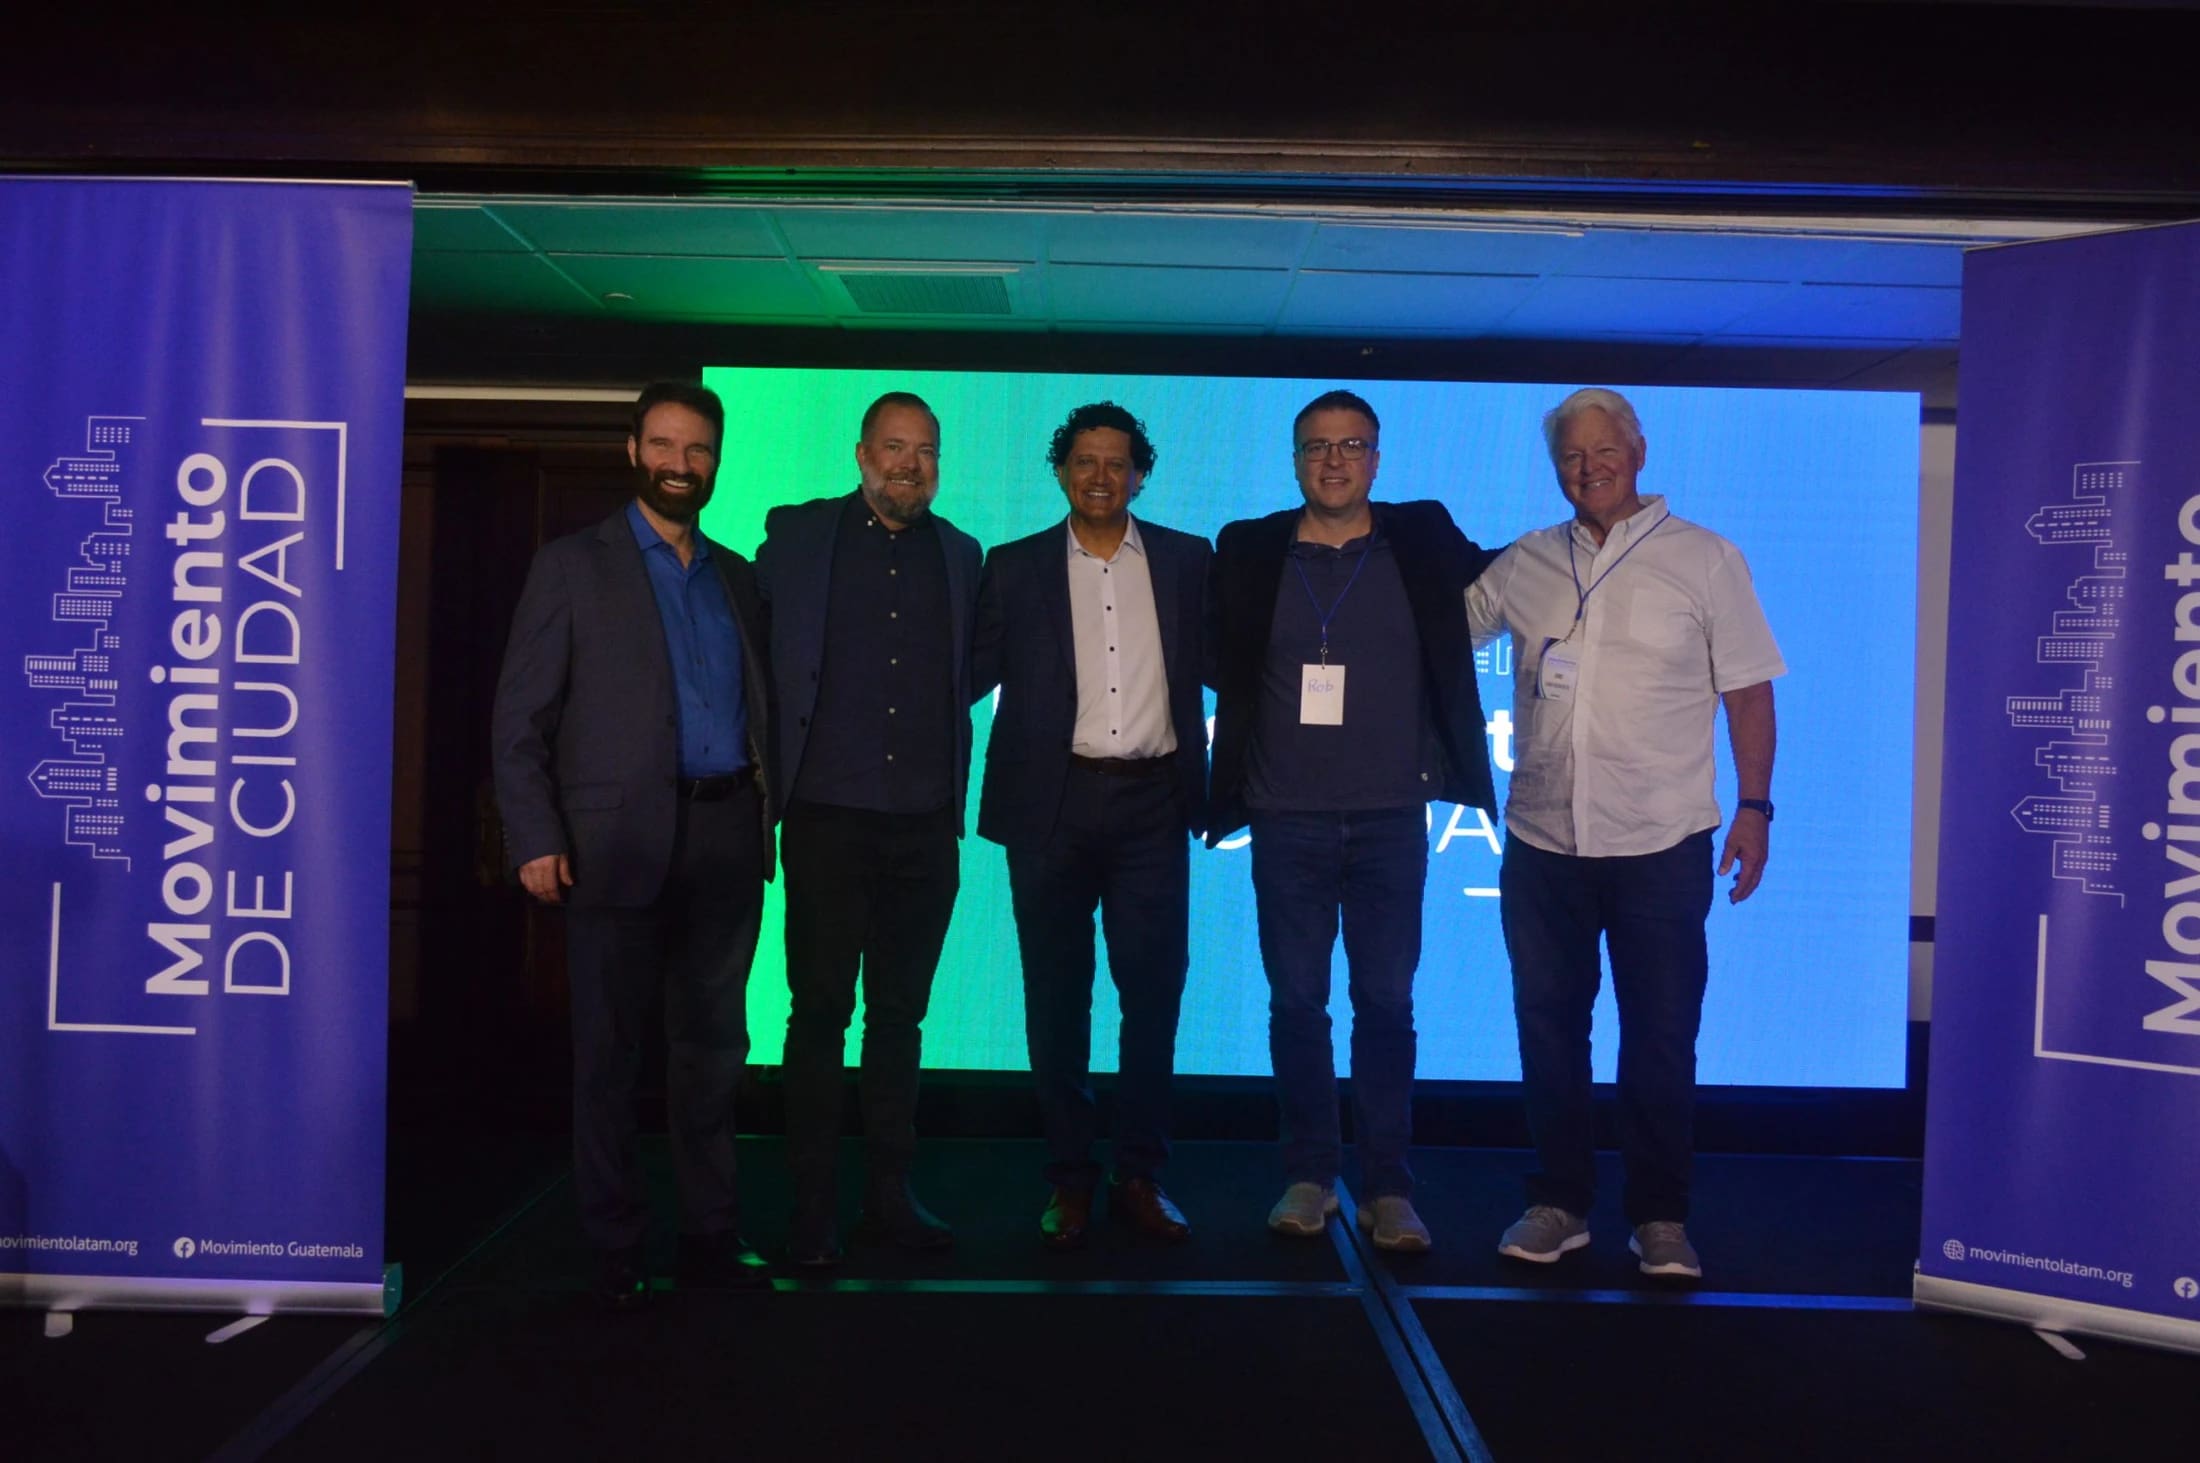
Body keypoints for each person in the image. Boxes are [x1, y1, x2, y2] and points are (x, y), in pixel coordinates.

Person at [1470, 386, 1783, 1281]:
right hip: (1542, 842)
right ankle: (1559, 1201)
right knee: (1548, 1029)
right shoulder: (1525, 561)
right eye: (1571, 455)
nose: (1589, 467)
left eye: (1605, 450)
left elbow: (1750, 691)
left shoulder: (1707, 558)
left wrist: (1756, 809)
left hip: (1660, 844)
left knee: (1659, 1035)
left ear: (1638, 453)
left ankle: (1660, 1217)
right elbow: (1431, 628)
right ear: (1555, 468)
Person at [491, 380, 775, 1308]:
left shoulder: (737, 575)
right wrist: (532, 834)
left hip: (728, 838)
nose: (680, 465)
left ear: (716, 460)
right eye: (664, 445)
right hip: (611, 845)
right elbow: (519, 718)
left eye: (697, 450)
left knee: (712, 1054)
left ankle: (709, 1234)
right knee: (609, 1058)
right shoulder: (573, 565)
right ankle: (616, 1241)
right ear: (633, 450)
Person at [1207, 388, 1498, 1251]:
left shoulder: (1421, 536)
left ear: (1378, 458)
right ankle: (1308, 1174)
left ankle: (1388, 1186)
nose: (1333, 461)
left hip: (1388, 819)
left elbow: (1522, 575)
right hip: (1285, 816)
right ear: (1294, 461)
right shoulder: (1251, 546)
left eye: (1351, 445)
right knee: (1296, 1003)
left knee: (1386, 1002)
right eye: (1316, 447)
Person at [972, 402, 1212, 1250]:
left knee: (1153, 1000)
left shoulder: (1188, 562)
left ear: (1140, 473)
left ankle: (1140, 1175)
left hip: (1153, 805)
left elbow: (1235, 663)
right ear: (1061, 470)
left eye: (1116, 463)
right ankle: (1070, 1180)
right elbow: (957, 677)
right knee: (1056, 1001)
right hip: (1051, 808)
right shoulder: (1012, 568)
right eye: (1084, 461)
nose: (1100, 476)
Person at [757, 390, 983, 1267]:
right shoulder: (799, 539)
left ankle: (889, 1197)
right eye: (894, 447)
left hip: (925, 830)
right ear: (860, 454)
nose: (909, 464)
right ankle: (811, 1209)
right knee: (816, 1016)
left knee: (901, 1020)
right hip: (824, 822)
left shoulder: (963, 557)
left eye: (926, 450)